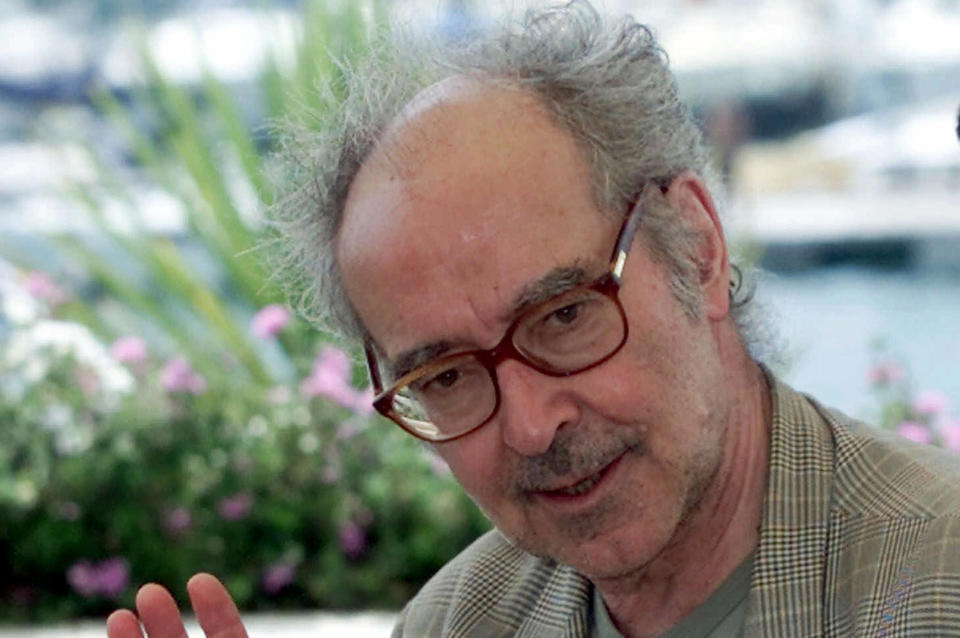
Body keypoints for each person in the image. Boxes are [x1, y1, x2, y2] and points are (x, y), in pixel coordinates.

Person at [106, 2, 960, 637]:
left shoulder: (937, 581)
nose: (529, 424)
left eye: (562, 318)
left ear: (696, 248)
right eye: (443, 377)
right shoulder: (456, 624)